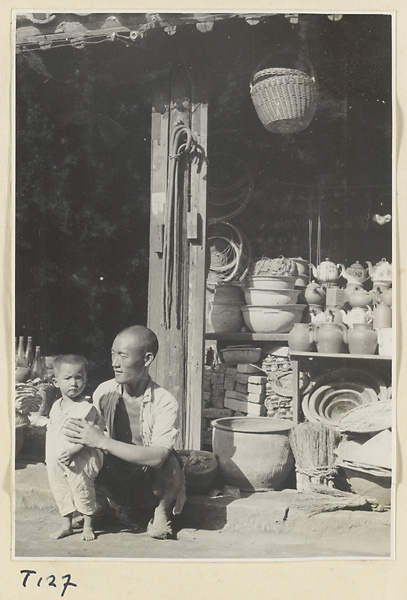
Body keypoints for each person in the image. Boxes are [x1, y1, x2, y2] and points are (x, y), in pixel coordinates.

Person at [63, 325, 186, 539]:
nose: (114, 363)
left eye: (122, 356)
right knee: (80, 450)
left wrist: (101, 441)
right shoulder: (104, 391)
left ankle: (161, 512)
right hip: (115, 468)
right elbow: (94, 434)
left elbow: (157, 457)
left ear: (147, 359)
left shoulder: (165, 401)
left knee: (172, 463)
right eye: (113, 354)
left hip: (147, 477)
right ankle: (95, 506)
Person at [46, 354, 104, 541]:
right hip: (58, 460)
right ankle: (67, 525)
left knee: (82, 489)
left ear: (85, 380)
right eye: (68, 378)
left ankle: (88, 524)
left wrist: (73, 451)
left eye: (78, 378)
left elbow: (90, 436)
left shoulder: (86, 408)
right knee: (61, 490)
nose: (74, 383)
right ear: (56, 382)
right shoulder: (56, 406)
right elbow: (53, 431)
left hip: (79, 459)